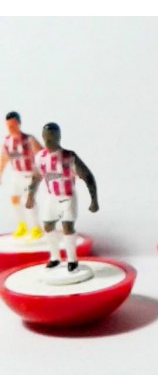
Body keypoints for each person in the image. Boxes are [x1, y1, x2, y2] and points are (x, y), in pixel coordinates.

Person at [26, 122, 98, 272]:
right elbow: (36, 178)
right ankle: (55, 258)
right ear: (43, 137)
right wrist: (30, 196)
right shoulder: (40, 157)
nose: (49, 140)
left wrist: (94, 200)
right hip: (52, 197)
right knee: (48, 225)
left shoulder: (69, 157)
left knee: (67, 226)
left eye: (52, 136)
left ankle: (72, 260)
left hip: (68, 197)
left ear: (59, 137)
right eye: (47, 137)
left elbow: (87, 176)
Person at [0, 111, 43, 239]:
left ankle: (35, 227)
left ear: (19, 124)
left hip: (30, 175)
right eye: (8, 125)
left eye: (13, 125)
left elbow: (42, 155)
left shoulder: (29, 140)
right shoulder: (7, 141)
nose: (11, 128)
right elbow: (4, 159)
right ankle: (22, 225)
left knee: (28, 200)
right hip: (16, 174)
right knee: (14, 199)